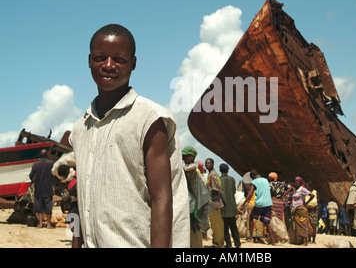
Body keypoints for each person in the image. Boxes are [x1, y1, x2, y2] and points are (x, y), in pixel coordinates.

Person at [69, 24, 189, 248]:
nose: (108, 66)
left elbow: (162, 200)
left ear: (133, 63)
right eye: (100, 57)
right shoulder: (80, 128)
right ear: (89, 61)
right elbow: (81, 197)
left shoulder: (149, 119)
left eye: (119, 59)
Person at [238, 170, 276, 245]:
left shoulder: (254, 182)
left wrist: (243, 203)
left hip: (259, 203)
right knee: (267, 222)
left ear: (252, 176)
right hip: (268, 203)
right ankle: (273, 241)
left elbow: (251, 193)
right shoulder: (265, 180)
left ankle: (251, 237)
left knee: (252, 217)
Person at [29, 149, 55, 229]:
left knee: (39, 207)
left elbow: (31, 176)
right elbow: (55, 173)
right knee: (48, 207)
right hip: (48, 188)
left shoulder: (35, 165)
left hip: (39, 188)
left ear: (40, 155)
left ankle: (40, 224)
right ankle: (48, 224)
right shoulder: (51, 163)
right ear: (47, 155)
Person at [219, 163, 241, 248]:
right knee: (233, 227)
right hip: (232, 207)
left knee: (225, 228)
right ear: (227, 170)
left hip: (223, 207)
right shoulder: (232, 179)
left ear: (220, 171)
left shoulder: (219, 180)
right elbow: (234, 192)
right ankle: (238, 243)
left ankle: (228, 244)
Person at [205, 158, 225, 248]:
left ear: (213, 164)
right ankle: (217, 242)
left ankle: (218, 244)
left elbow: (216, 189)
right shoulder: (211, 174)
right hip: (213, 203)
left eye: (209, 163)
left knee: (217, 225)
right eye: (206, 163)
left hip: (215, 203)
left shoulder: (213, 175)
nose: (207, 164)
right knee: (215, 224)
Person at [289, 176, 314, 246]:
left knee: (303, 224)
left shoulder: (302, 189)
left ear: (300, 183)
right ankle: (301, 240)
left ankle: (305, 241)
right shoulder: (296, 190)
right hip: (296, 209)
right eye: (294, 182)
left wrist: (306, 203)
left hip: (300, 209)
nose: (295, 183)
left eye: (296, 182)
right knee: (298, 225)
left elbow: (312, 195)